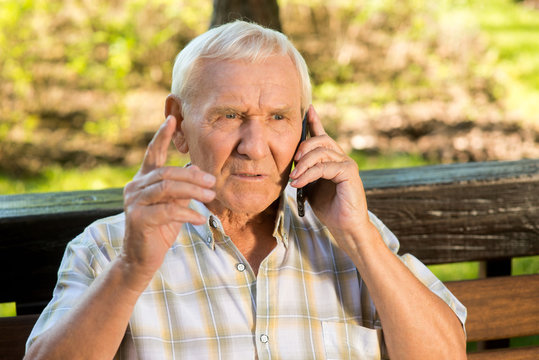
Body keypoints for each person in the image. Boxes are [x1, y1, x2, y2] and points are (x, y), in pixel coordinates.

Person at [25, 21, 466, 359]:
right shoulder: (111, 248)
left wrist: (360, 239)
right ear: (177, 125)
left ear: (306, 126)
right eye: (230, 116)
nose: (255, 147)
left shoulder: (355, 235)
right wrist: (131, 269)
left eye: (278, 118)